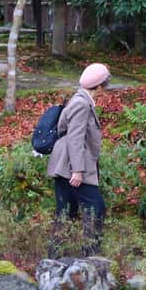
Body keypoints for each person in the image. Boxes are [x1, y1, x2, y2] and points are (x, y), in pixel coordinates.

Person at [47, 63, 110, 256]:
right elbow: (75, 137)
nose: (105, 90)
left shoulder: (80, 100)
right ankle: (91, 255)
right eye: (104, 86)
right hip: (72, 165)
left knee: (66, 211)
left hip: (66, 164)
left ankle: (55, 256)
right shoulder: (82, 104)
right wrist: (78, 170)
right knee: (95, 207)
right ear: (98, 86)